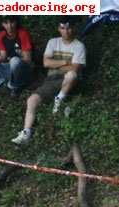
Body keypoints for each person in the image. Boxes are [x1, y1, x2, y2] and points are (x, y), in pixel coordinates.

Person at [11, 16, 85, 145]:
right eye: (63, 28)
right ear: (59, 29)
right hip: (51, 79)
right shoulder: (53, 42)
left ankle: (59, 100)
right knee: (31, 100)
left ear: (73, 29)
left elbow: (75, 67)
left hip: (70, 80)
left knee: (71, 74)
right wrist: (65, 62)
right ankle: (26, 132)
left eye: (68, 28)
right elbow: (46, 63)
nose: (66, 32)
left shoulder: (79, 46)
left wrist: (55, 63)